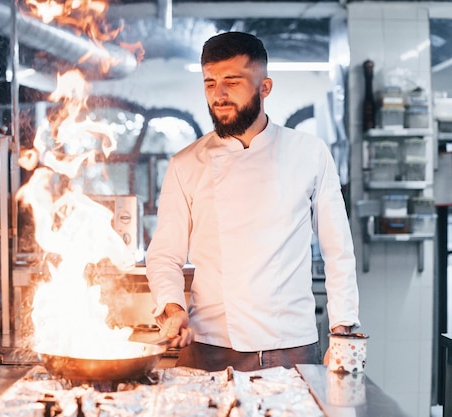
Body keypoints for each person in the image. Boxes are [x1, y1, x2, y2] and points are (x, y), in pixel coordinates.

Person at [145, 31, 360, 372]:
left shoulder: (308, 153)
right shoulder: (186, 163)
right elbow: (164, 256)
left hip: (290, 346)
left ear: (265, 88)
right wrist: (173, 308)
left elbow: (338, 250)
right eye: (210, 83)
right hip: (209, 346)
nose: (219, 94)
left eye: (232, 81)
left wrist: (343, 330)